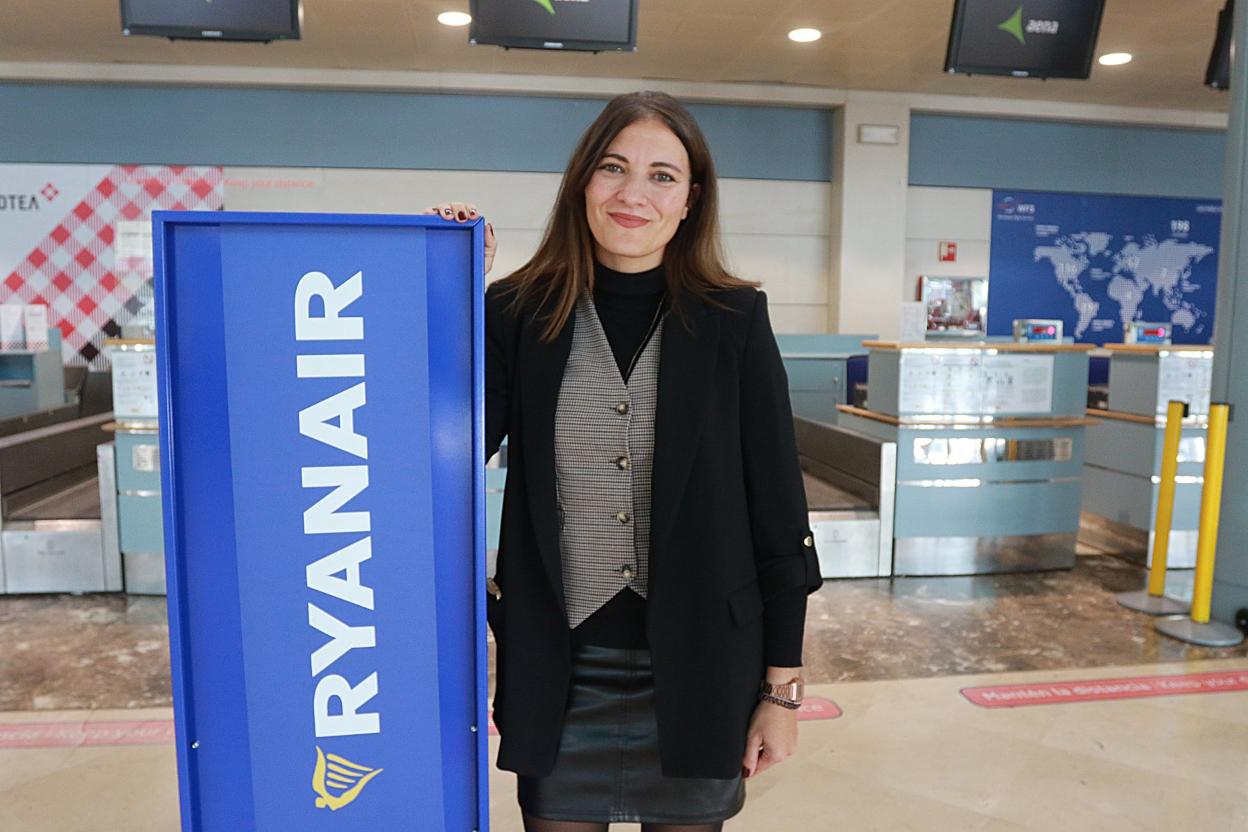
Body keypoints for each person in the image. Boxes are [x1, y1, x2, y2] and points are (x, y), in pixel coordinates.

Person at [429, 90, 822, 832]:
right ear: (582, 183)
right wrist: (448, 288)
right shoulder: (517, 312)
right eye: (613, 168)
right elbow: (449, 449)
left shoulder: (735, 319)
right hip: (557, 668)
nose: (633, 193)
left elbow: (778, 510)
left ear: (690, 199)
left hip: (706, 668)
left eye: (661, 176)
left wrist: (780, 692)